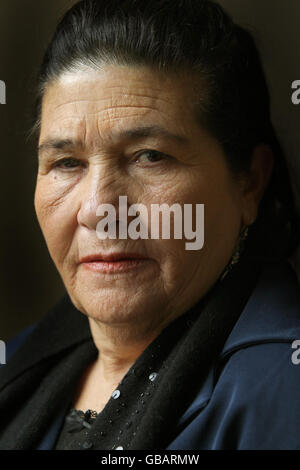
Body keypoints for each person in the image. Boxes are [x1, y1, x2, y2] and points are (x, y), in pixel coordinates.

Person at [0, 0, 300, 450]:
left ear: (250, 183)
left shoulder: (282, 391)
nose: (100, 210)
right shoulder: (21, 368)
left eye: (150, 157)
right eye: (66, 163)